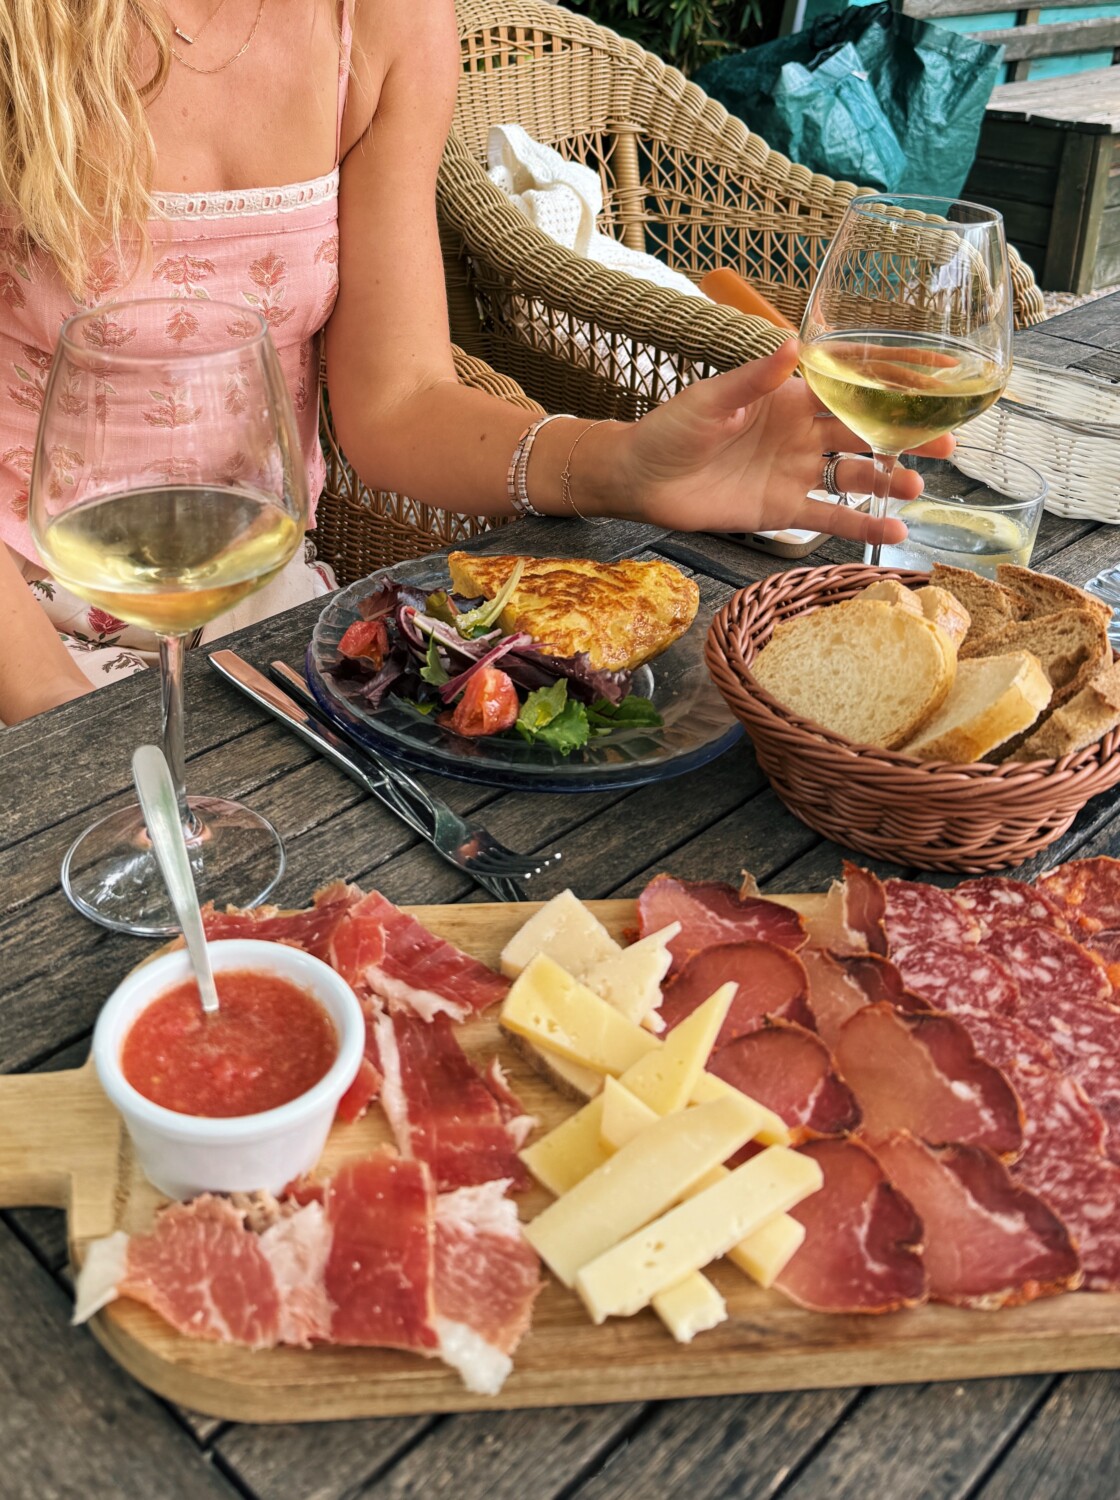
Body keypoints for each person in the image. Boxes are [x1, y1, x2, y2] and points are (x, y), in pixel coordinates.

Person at [0, 0, 946, 726]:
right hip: (28, 617)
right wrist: (55, 714)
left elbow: (398, 400)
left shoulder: (378, 22)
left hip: (251, 603)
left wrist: (625, 465)